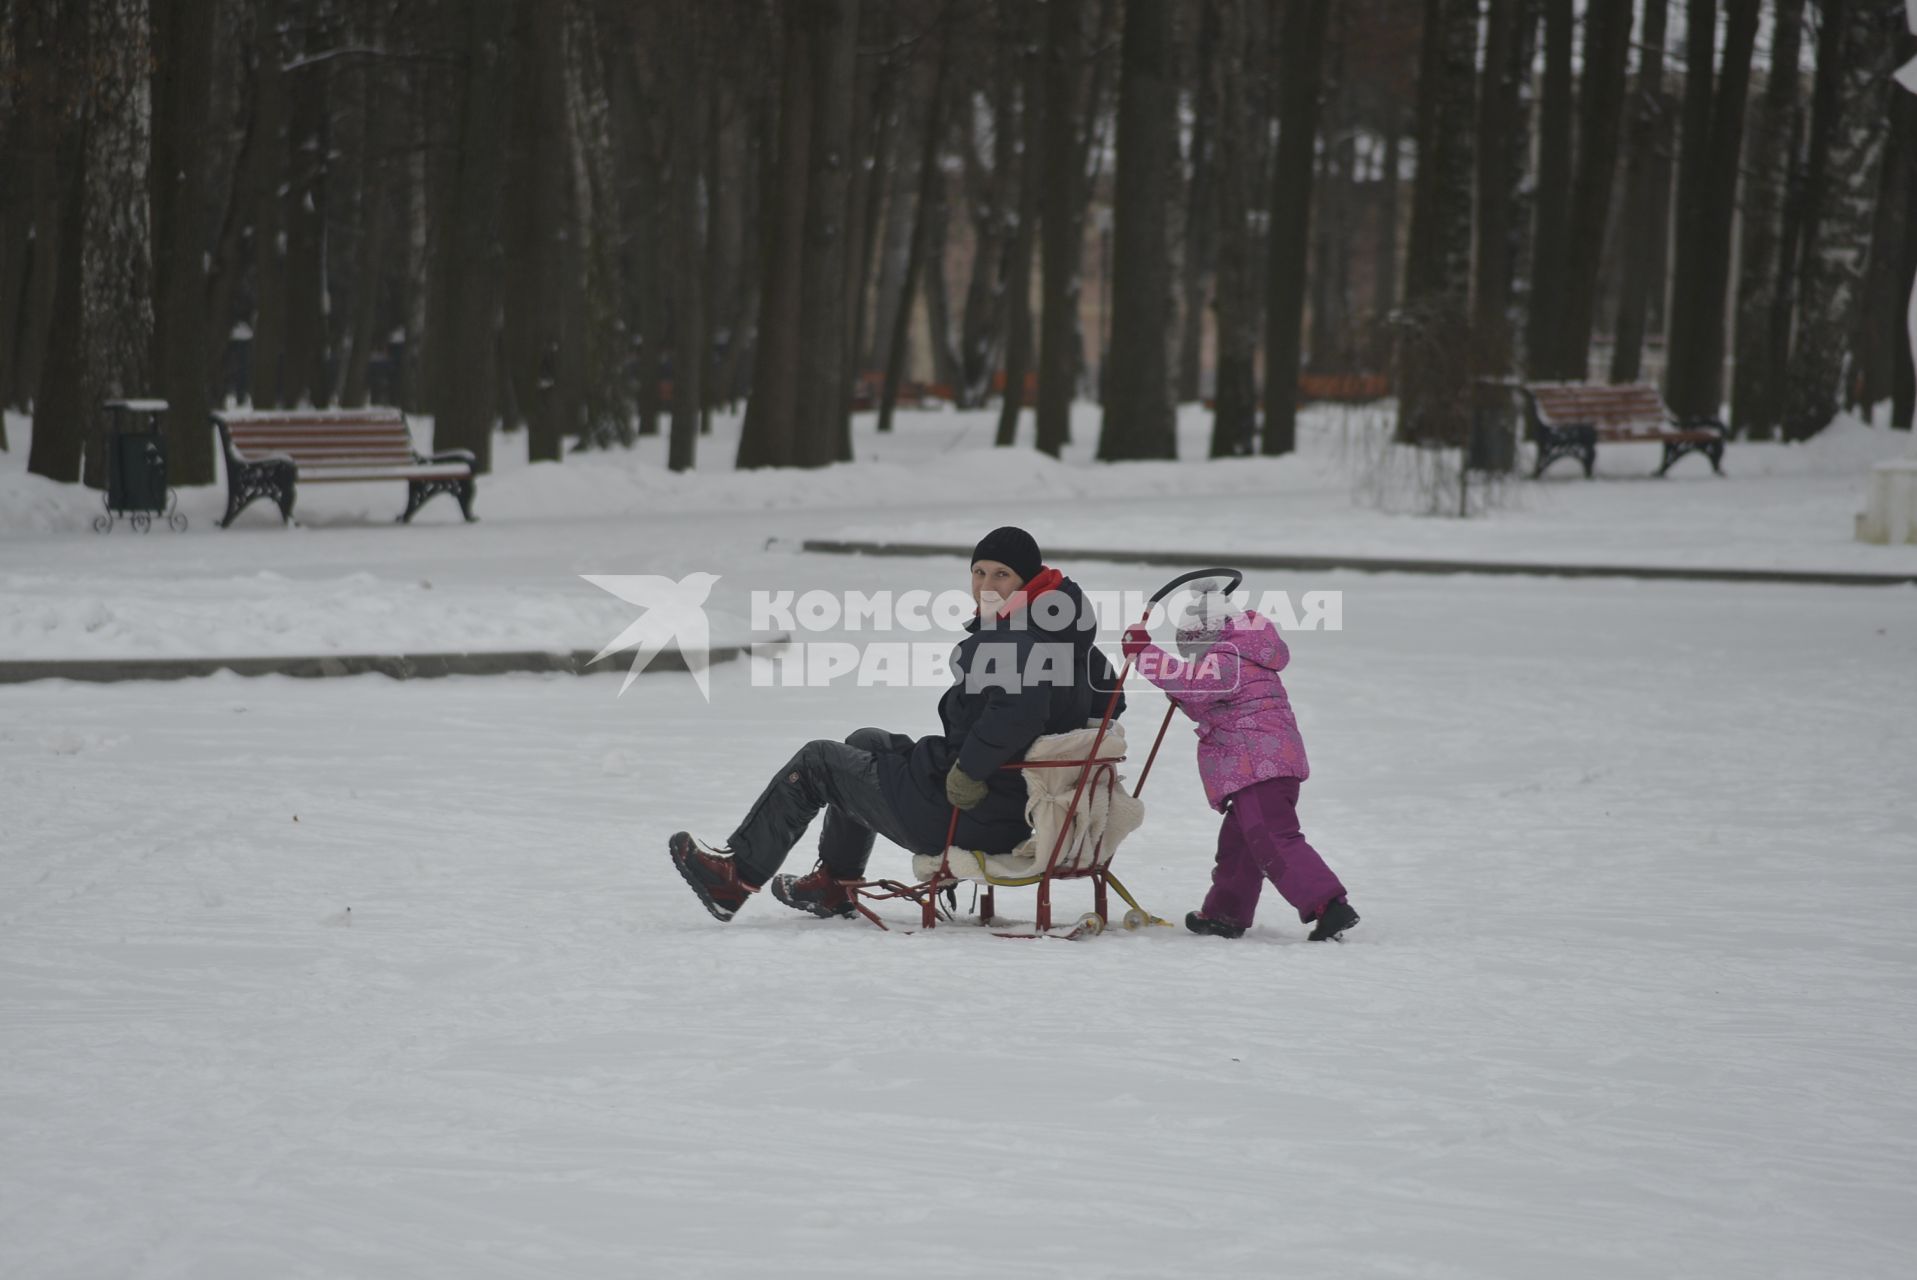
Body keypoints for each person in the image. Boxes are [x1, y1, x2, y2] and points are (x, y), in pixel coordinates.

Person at [670, 526, 1125, 922]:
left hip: (969, 810)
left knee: (818, 760)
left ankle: (736, 878)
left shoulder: (1016, 640)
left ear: (1027, 582)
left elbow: (1018, 712)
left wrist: (972, 769)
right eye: (979, 571)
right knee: (865, 742)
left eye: (1001, 574)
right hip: (1012, 804)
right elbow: (1109, 702)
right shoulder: (1071, 640)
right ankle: (836, 882)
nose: (986, 584)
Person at [1121, 589, 1357, 941]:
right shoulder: (1246, 659)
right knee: (1241, 845)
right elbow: (1206, 700)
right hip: (1262, 768)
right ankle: (1224, 914)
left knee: (1274, 839)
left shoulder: (1229, 657)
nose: (1193, 659)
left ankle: (1327, 903)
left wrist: (1145, 654)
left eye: (1192, 651)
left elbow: (1192, 684)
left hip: (1257, 767)